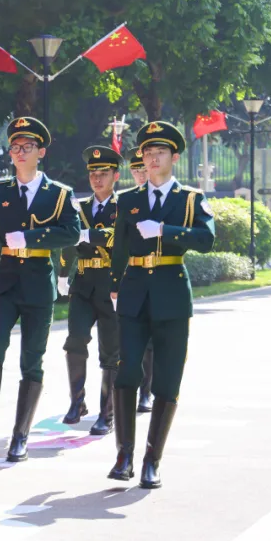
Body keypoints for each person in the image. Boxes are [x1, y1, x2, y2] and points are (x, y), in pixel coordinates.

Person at [0, 117, 80, 462]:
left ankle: (21, 435)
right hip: (7, 280)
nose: (21, 152)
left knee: (31, 358)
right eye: (15, 146)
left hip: (38, 281)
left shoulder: (59, 194)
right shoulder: (0, 191)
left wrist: (29, 238)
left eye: (28, 147)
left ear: (41, 152)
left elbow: (71, 233)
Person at [109, 121, 215, 489]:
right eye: (148, 153)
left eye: (160, 152)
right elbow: (119, 247)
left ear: (175, 157)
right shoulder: (129, 199)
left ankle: (152, 460)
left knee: (168, 379)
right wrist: (113, 285)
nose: (153, 159)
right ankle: (124, 455)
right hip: (134, 292)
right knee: (126, 372)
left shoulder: (191, 199)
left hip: (171, 293)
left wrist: (165, 232)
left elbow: (207, 239)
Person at [58, 146, 122, 435]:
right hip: (83, 283)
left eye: (103, 173)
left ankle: (107, 413)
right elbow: (68, 243)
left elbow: (120, 237)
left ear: (115, 176)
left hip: (111, 284)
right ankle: (77, 402)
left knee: (110, 351)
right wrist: (62, 274)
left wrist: (90, 235)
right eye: (93, 174)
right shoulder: (79, 208)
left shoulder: (125, 207)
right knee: (75, 341)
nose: (97, 179)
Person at [126, 147, 155, 413]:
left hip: (156, 275)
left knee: (149, 342)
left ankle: (146, 392)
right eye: (136, 170)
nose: (140, 174)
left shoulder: (160, 199)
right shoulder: (126, 200)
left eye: (143, 169)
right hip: (130, 276)